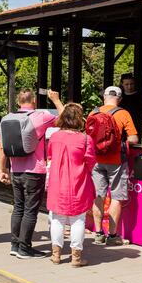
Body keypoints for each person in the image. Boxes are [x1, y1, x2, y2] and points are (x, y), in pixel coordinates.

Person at [0, 89, 63, 259]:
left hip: (15, 170)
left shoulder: (7, 118)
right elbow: (65, 119)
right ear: (33, 100)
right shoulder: (40, 116)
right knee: (30, 210)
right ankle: (25, 248)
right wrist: (56, 100)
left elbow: (1, 147)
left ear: (19, 101)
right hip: (35, 171)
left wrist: (2, 169)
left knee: (18, 207)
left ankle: (15, 244)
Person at [46, 103, 96, 266]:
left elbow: (50, 155)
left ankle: (56, 255)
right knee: (78, 219)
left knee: (57, 218)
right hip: (78, 181)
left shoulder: (54, 136)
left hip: (57, 182)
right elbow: (90, 162)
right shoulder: (86, 139)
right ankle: (76, 257)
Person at [90, 86, 139, 246]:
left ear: (104, 97)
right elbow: (134, 139)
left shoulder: (93, 112)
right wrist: (121, 142)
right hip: (116, 160)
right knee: (116, 197)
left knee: (99, 195)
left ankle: (98, 234)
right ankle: (112, 236)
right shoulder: (123, 113)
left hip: (96, 160)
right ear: (119, 98)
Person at [119, 73, 142, 138]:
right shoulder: (119, 97)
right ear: (122, 84)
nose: (129, 87)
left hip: (138, 127)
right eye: (126, 84)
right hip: (122, 127)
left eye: (131, 84)